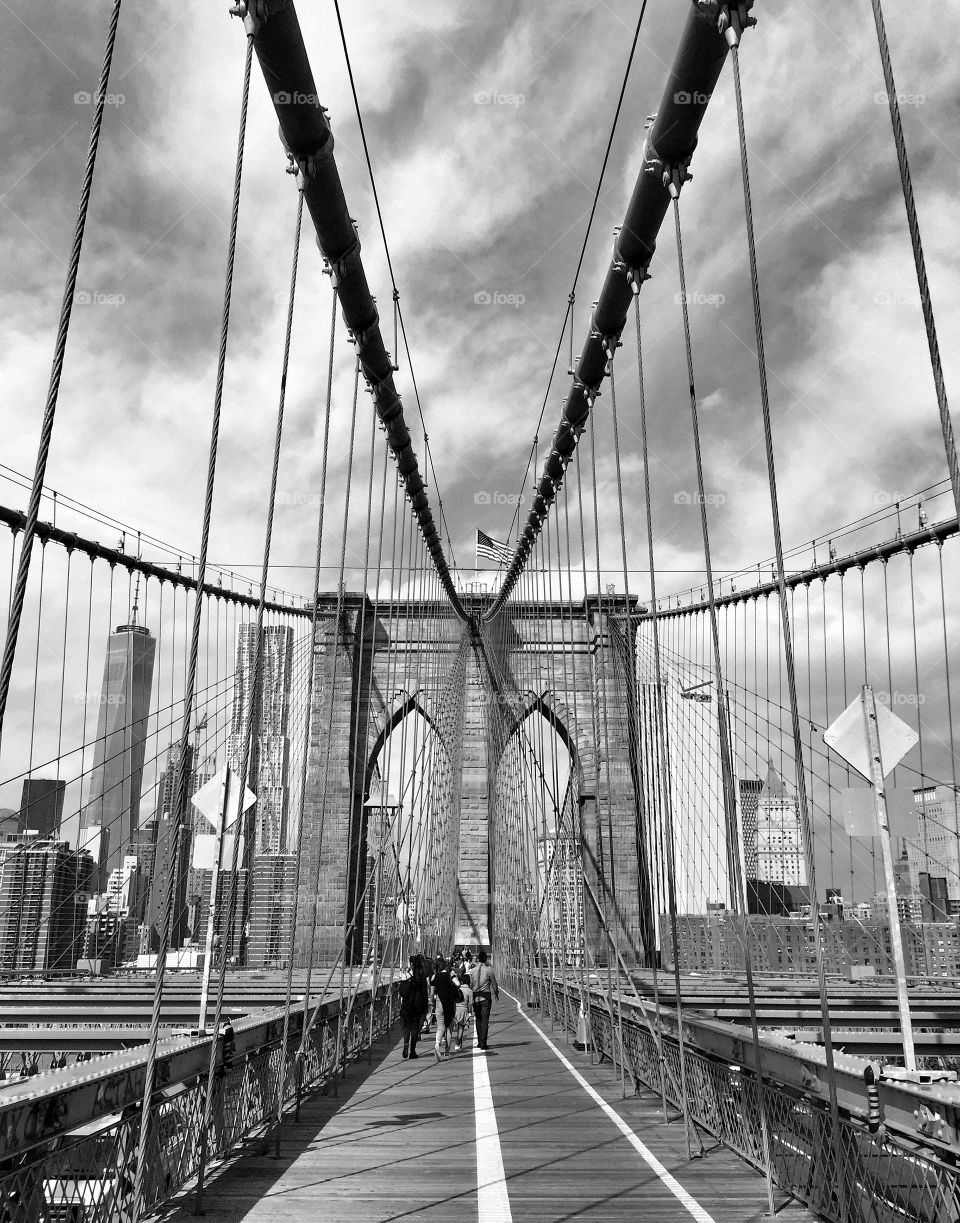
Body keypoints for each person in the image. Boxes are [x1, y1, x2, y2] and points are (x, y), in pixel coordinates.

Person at [430, 955, 462, 1061]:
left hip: (439, 1003)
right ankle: (447, 1051)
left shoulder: (435, 976)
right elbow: (458, 984)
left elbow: (432, 988)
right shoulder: (449, 974)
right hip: (448, 1004)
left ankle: (437, 1045)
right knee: (448, 1028)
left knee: (440, 1027)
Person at [399, 954, 429, 1059]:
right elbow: (425, 993)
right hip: (418, 1005)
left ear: (411, 964)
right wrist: (426, 1006)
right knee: (415, 1028)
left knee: (406, 1027)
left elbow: (402, 992)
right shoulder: (422, 976)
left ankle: (405, 1045)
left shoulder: (406, 975)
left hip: (407, 1005)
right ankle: (412, 1051)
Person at [469, 950, 499, 1050]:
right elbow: (494, 984)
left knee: (478, 1019)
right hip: (486, 997)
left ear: (478, 959)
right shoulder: (489, 970)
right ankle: (483, 1042)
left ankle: (479, 1041)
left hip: (476, 997)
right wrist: (496, 994)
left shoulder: (472, 971)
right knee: (485, 1020)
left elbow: (470, 985)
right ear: (485, 959)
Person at [453, 969, 473, 1052]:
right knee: (461, 1027)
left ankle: (459, 1043)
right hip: (464, 1010)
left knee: (457, 1027)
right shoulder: (469, 991)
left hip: (456, 1009)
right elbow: (470, 1003)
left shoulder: (458, 989)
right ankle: (458, 1043)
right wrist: (470, 1012)